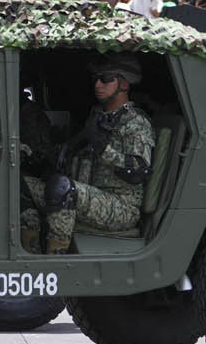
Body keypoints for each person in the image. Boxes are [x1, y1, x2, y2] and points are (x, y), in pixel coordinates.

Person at [22, 55, 154, 255]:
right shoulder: (98, 117)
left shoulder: (135, 123)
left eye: (106, 79)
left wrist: (103, 149)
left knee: (62, 189)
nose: (98, 84)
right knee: (18, 185)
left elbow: (137, 172)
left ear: (125, 83)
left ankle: (55, 263)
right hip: (91, 195)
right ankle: (31, 251)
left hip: (121, 205)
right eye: (96, 79)